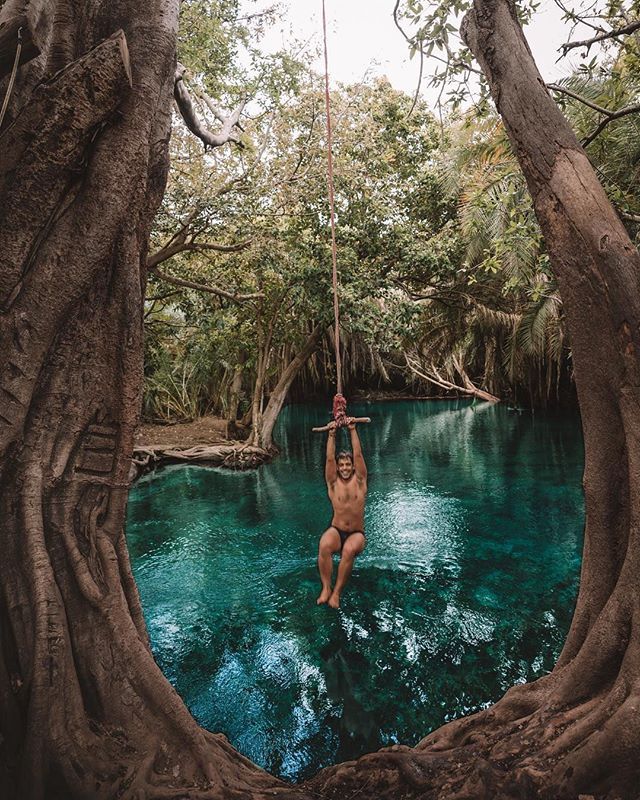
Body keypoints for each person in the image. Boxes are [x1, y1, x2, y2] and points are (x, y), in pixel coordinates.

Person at [316, 418, 367, 608]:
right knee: (324, 545)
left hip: (356, 534)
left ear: (353, 466)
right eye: (342, 465)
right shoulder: (332, 483)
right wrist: (331, 434)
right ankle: (326, 588)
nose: (345, 468)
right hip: (336, 530)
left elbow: (359, 454)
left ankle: (336, 593)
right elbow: (329, 458)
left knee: (348, 550)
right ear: (338, 467)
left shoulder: (360, 482)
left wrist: (352, 429)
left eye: (348, 464)